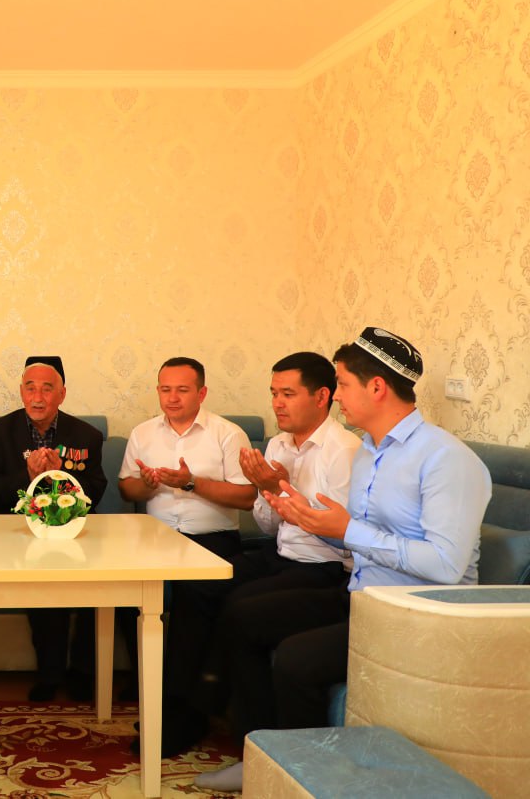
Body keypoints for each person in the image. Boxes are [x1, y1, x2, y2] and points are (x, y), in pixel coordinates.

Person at [195, 328, 491, 792]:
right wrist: (299, 511)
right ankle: (260, 755)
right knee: (248, 620)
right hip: (361, 597)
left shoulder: (446, 459)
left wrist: (346, 529)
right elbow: (355, 538)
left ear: (377, 387)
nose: (336, 397)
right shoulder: (371, 451)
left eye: (344, 384)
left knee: (295, 660)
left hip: (417, 618)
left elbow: (446, 564)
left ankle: (308, 775)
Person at [161, 352, 361, 755]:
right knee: (196, 585)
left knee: (239, 607)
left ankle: (209, 715)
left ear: (322, 396)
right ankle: (180, 706)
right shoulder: (277, 444)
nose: (277, 404)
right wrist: (269, 492)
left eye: (288, 394)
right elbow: (269, 527)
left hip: (323, 566)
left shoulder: (345, 450)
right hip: (279, 553)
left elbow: (345, 539)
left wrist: (284, 489)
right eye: (274, 393)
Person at [118, 356, 256, 754]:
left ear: (202, 392)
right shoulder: (143, 432)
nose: (172, 397)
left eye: (182, 389)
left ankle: (181, 713)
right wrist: (147, 485)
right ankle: (152, 695)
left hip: (211, 539)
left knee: (193, 601)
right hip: (155, 539)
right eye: (165, 389)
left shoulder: (228, 434)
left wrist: (192, 483)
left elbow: (247, 497)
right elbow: (127, 489)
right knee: (126, 593)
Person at [0, 355, 107, 701]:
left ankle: (83, 672)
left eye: (47, 389)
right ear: (21, 392)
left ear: (61, 394)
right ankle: (50, 674)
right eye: (30, 388)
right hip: (18, 533)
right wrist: (28, 476)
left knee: (102, 582)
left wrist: (61, 475)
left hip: (73, 532)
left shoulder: (87, 436)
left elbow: (95, 492)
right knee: (45, 575)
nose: (37, 398)